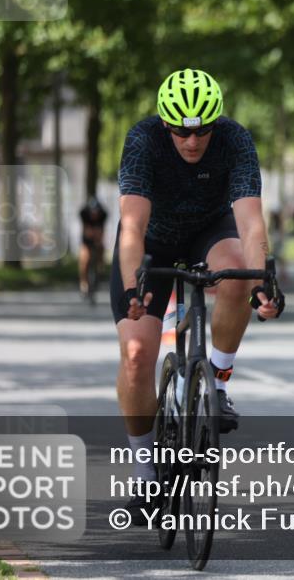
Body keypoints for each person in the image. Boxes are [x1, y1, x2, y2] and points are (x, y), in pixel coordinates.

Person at [113, 68, 284, 508]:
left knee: (237, 272)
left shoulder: (235, 140)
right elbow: (132, 226)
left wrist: (263, 278)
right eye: (181, 133)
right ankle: (144, 471)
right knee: (136, 355)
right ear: (165, 124)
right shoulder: (143, 140)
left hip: (209, 230)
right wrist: (134, 287)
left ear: (216, 124)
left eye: (202, 133)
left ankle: (219, 382)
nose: (192, 143)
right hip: (152, 239)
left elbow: (250, 223)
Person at [79, 195, 108, 299]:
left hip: (98, 233)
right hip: (87, 236)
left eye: (96, 213)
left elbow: (102, 230)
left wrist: (98, 241)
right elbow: (86, 229)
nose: (94, 215)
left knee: (101, 247)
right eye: (93, 213)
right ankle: (84, 283)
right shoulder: (84, 213)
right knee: (84, 258)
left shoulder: (103, 214)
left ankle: (100, 266)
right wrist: (89, 235)